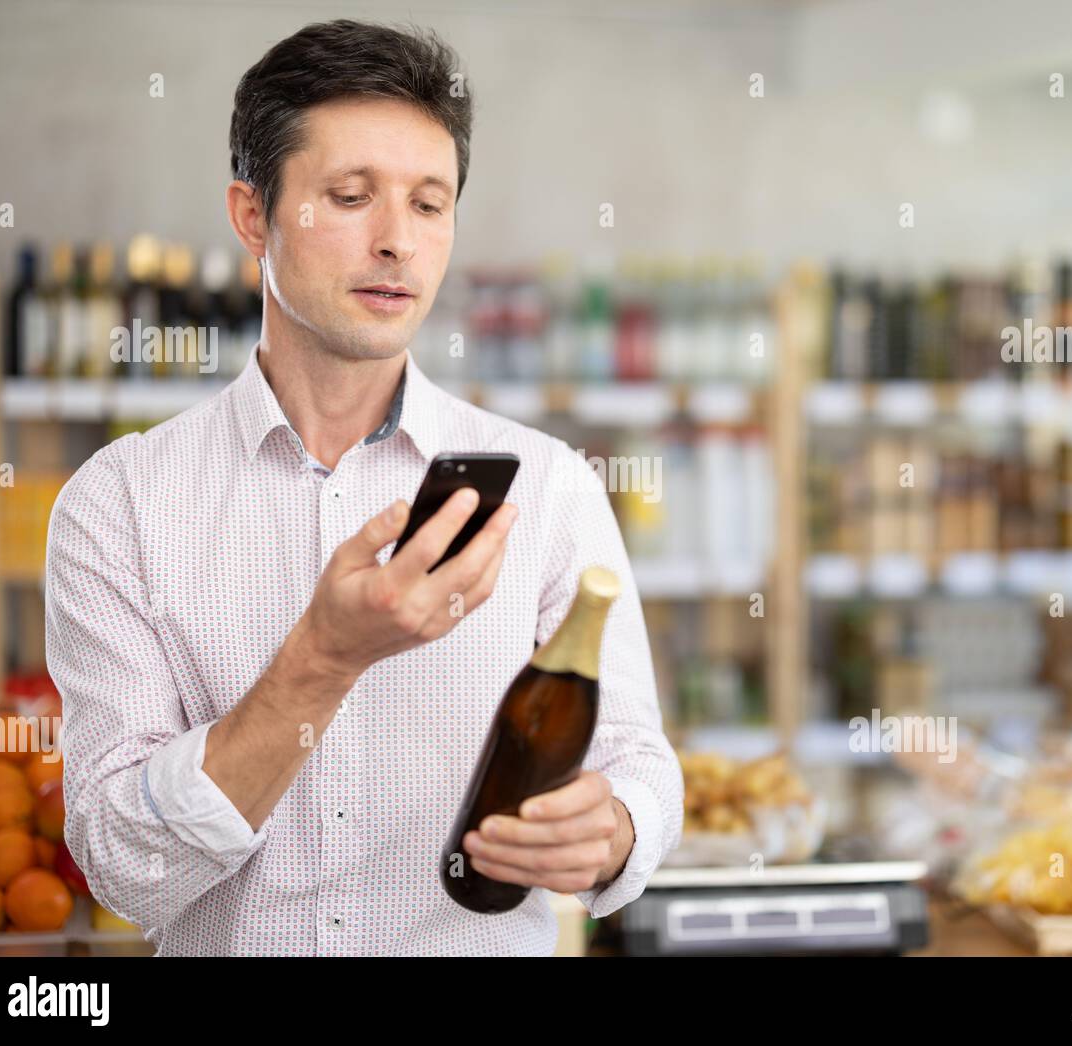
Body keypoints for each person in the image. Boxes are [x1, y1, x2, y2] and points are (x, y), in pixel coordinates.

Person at [45, 18, 682, 956]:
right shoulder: (119, 506)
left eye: (430, 205)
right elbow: (123, 868)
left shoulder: (549, 489)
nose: (397, 243)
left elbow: (638, 762)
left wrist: (614, 828)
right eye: (350, 197)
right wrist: (323, 659)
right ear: (253, 215)